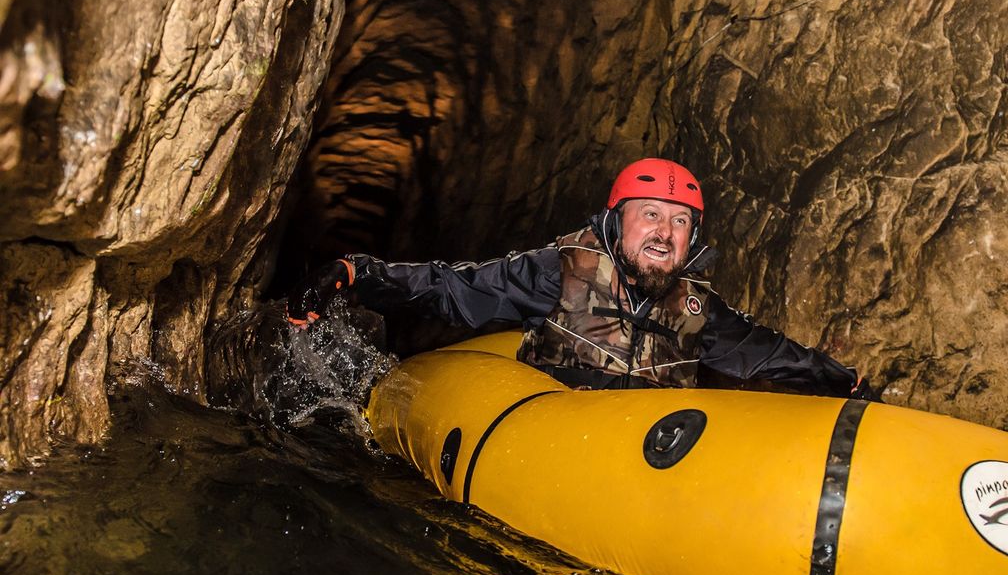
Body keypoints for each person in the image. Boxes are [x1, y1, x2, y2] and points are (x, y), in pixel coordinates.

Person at [286, 158, 877, 399]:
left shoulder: (698, 308)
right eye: (650, 215)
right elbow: (452, 288)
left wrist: (842, 381)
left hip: (645, 447)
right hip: (558, 423)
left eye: (679, 223)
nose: (664, 233)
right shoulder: (558, 272)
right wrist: (354, 274)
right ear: (617, 223)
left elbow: (772, 354)